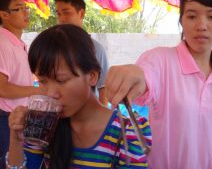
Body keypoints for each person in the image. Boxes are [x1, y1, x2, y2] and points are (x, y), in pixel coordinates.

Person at [105, 0, 212, 169]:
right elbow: (144, 77)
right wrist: (133, 76)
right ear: (181, 20)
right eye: (191, 16)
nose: (201, 25)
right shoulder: (160, 60)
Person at [6, 24, 151, 168]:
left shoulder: (128, 131)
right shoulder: (44, 125)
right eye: (42, 81)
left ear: (92, 77)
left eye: (61, 80)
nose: (50, 93)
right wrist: (16, 139)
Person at [0, 0, 44, 168]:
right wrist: (38, 90)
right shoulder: (2, 43)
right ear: (4, 14)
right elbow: (2, 88)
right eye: (19, 8)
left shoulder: (16, 43)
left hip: (17, 116)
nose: (26, 12)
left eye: (26, 7)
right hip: (5, 118)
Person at [53, 0, 109, 106]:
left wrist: (102, 120)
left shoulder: (96, 49)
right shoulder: (52, 46)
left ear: (81, 13)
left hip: (87, 116)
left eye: (67, 12)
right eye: (58, 14)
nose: (62, 19)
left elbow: (103, 88)